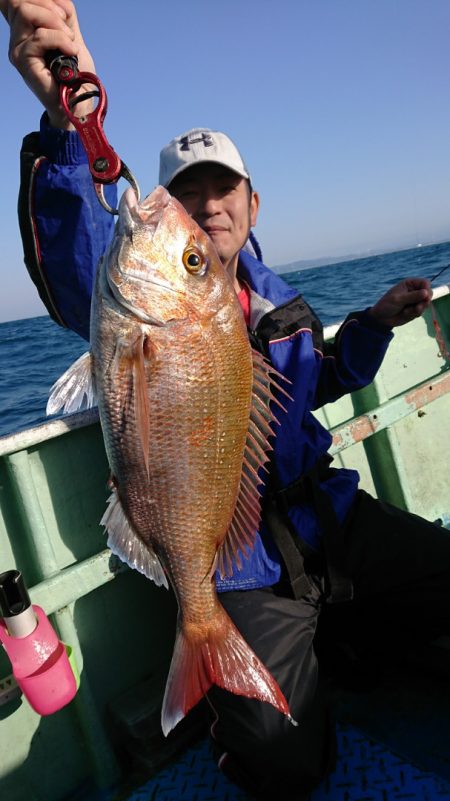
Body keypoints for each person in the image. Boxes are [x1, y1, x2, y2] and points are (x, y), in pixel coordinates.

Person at [2, 3, 450, 799]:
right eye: (187, 191)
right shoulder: (138, 297)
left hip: (331, 520)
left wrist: (375, 325)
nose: (206, 204)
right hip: (236, 563)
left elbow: (327, 379)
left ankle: (349, 640)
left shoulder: (282, 304)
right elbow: (76, 267)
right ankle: (240, 678)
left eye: (223, 187)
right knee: (280, 761)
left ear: (252, 203)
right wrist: (64, 127)